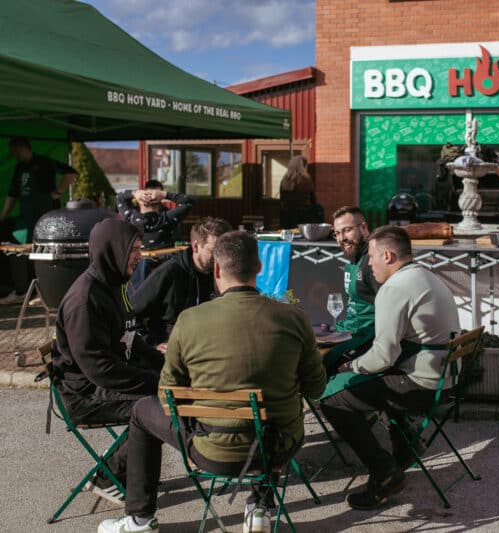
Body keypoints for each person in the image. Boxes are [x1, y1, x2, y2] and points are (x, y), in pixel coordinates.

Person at [98, 231, 326, 533]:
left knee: (142, 411)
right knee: (273, 409)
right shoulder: (294, 318)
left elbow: (167, 395)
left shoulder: (190, 320)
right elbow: (316, 388)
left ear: (217, 270)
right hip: (277, 449)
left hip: (211, 451)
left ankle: (139, 519)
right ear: (259, 267)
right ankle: (260, 506)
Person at [320, 226, 460, 511]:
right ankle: (406, 444)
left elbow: (383, 356)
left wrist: (348, 365)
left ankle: (384, 473)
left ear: (387, 255)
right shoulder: (426, 275)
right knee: (374, 385)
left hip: (422, 384)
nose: (368, 264)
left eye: (371, 257)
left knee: (334, 401)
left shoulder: (394, 288)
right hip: (445, 380)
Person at [53, 218, 163, 504]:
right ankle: (109, 475)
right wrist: (155, 381)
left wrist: (161, 361)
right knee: (159, 406)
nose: (140, 256)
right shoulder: (85, 299)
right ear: (113, 250)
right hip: (84, 393)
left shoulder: (114, 283)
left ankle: (127, 470)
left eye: (140, 248)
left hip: (104, 379)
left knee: (166, 394)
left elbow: (129, 337)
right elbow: (99, 369)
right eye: (134, 249)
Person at [131, 217, 232, 346]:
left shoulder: (226, 273)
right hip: (172, 347)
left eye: (225, 251)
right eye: (214, 251)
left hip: (209, 346)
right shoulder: (170, 272)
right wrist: (150, 345)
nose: (220, 257)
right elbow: (131, 313)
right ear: (196, 246)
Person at [325, 206, 382, 374]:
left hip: (364, 339)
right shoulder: (353, 258)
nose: (342, 238)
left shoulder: (372, 264)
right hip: (347, 332)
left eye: (347, 230)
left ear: (363, 228)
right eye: (337, 233)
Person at [0, 137, 77, 244]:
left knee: (44, 249)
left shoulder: (44, 162)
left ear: (23, 148)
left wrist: (58, 192)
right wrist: (2, 217)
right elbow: (12, 194)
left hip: (47, 217)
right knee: (22, 250)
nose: (14, 155)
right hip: (26, 219)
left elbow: (71, 173)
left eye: (15, 152)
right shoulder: (19, 167)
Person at [116, 180, 193, 251]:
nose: (151, 196)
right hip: (163, 262)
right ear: (161, 201)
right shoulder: (167, 218)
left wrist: (135, 193)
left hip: (138, 262)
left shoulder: (130, 217)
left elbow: (120, 197)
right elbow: (188, 202)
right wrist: (164, 194)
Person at [279, 155, 323, 228]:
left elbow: (282, 199)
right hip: (305, 215)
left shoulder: (285, 180)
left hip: (288, 215)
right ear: (302, 166)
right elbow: (313, 199)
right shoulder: (306, 180)